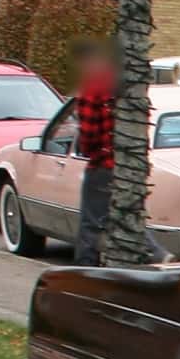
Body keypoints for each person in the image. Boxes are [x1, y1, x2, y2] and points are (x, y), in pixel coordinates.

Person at [72, 39, 116, 266]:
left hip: (102, 163)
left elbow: (89, 130)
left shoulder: (93, 86)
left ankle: (85, 269)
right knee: (124, 216)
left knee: (90, 222)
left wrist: (87, 150)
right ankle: (158, 255)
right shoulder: (120, 83)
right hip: (127, 163)